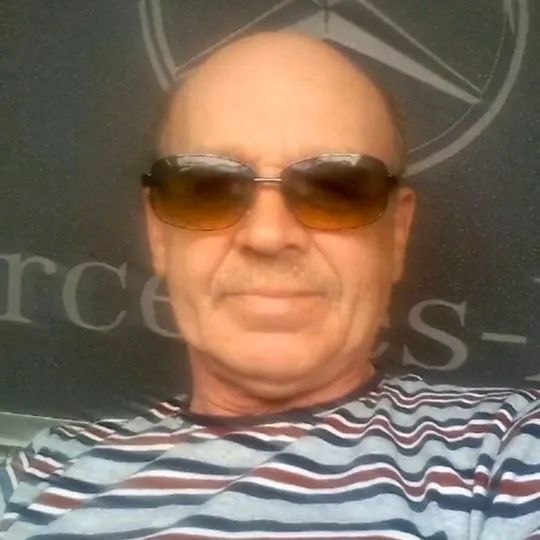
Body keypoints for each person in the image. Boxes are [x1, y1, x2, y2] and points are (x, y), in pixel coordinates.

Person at [1, 31, 538, 539]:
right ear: (158, 232)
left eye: (337, 186)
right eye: (206, 186)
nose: (268, 234)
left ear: (396, 234)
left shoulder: (508, 453)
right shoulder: (40, 473)